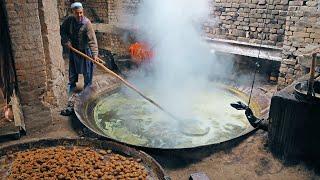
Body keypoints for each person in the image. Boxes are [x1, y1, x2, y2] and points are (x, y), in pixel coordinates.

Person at [60, 2, 98, 116]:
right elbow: (62, 30)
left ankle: (87, 90)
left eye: (81, 12)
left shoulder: (87, 24)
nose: (80, 15)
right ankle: (72, 86)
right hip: (74, 50)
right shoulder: (69, 21)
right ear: (73, 13)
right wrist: (66, 41)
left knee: (87, 72)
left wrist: (95, 54)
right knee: (73, 71)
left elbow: (92, 40)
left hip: (86, 51)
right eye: (77, 13)